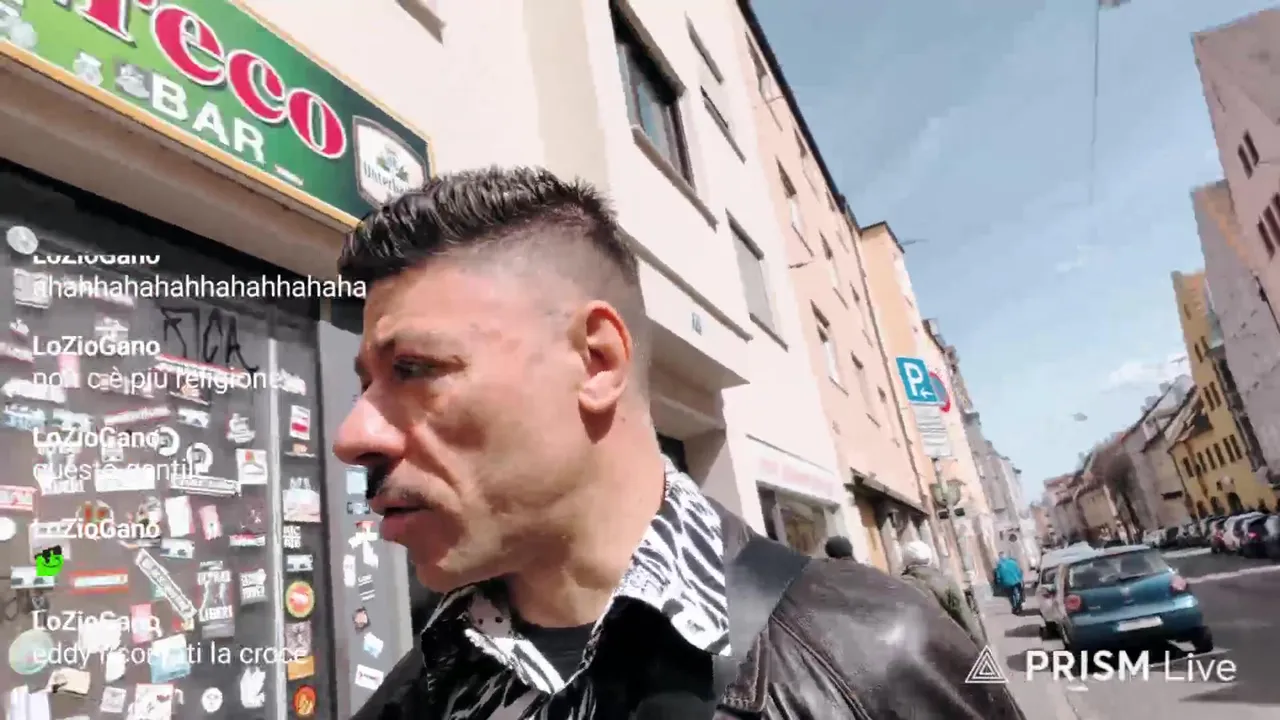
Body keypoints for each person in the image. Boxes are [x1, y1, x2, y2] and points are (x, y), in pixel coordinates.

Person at [336, 167, 1025, 719]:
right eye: (366, 385)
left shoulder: (877, 656)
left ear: (596, 362)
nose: (353, 435)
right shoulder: (426, 682)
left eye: (413, 369)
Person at [900, 540, 986, 646]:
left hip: (918, 646)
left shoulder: (900, 584)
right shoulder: (945, 582)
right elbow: (965, 617)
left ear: (905, 561)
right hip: (949, 643)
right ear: (929, 558)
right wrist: (981, 645)